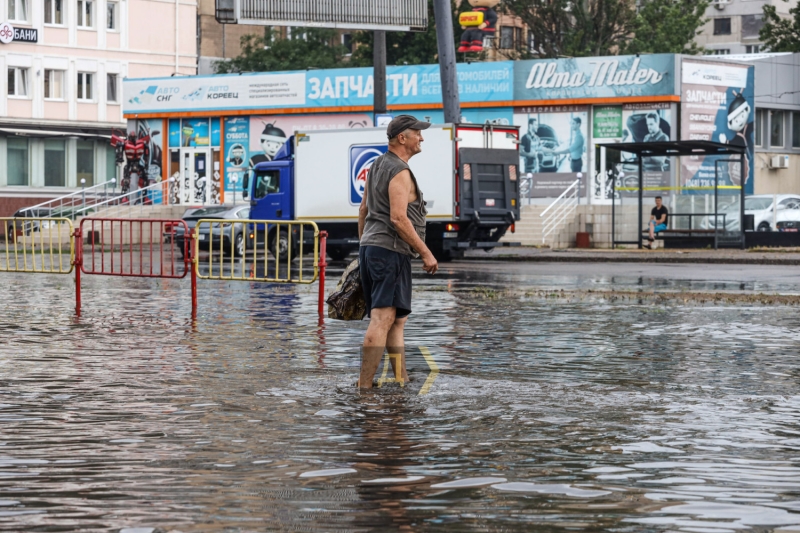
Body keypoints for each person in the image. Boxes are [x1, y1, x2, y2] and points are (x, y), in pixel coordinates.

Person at [357, 115, 439, 389]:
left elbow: (363, 211)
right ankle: (364, 386)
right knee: (382, 319)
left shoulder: (376, 165)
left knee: (396, 320)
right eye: (418, 133)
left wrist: (363, 247)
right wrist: (426, 253)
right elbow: (398, 219)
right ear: (402, 138)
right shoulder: (399, 172)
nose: (422, 137)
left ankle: (401, 379)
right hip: (389, 251)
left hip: (373, 248)